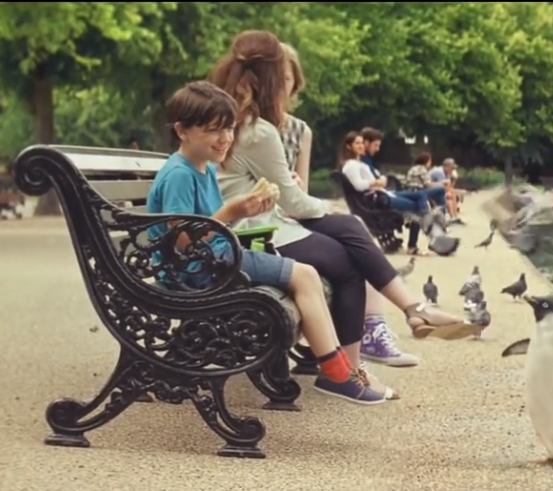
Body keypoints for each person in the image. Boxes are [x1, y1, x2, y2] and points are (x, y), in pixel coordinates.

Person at [209, 31, 482, 372]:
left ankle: (396, 325)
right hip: (248, 231)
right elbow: (290, 201)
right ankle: (354, 362)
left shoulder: (234, 120)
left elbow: (273, 188)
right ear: (272, 80)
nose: (288, 86)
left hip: (256, 221)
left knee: (349, 232)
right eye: (284, 77)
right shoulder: (257, 129)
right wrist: (320, 205)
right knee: (346, 251)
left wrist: (292, 193)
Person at [146, 81, 384, 405]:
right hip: (196, 271)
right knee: (305, 275)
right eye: (214, 130)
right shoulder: (180, 175)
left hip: (215, 259)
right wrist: (232, 211)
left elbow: (203, 232)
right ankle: (337, 372)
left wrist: (250, 209)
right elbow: (184, 241)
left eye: (229, 129)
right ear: (182, 130)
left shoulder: (201, 169)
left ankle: (338, 369)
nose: (225, 138)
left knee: (307, 274)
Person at [428, 158, 464, 225]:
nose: (453, 170)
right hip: (428, 189)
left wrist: (454, 179)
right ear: (446, 166)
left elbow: (449, 187)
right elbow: (446, 187)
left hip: (436, 189)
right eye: (452, 168)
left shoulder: (446, 172)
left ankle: (455, 217)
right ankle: (453, 218)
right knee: (449, 195)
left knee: (452, 193)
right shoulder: (439, 172)